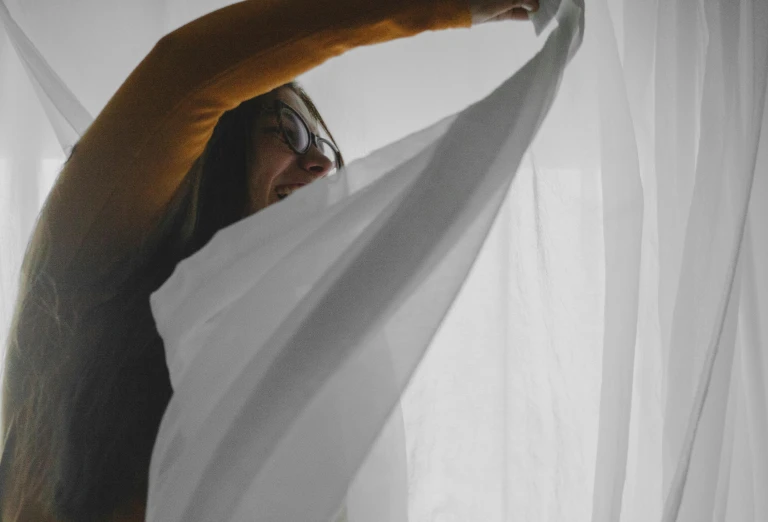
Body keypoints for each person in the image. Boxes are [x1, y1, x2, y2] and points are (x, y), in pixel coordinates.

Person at [0, 0, 538, 520]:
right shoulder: (88, 250)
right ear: (207, 149)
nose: (324, 162)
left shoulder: (255, 347)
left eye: (325, 145)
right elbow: (188, 72)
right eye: (291, 130)